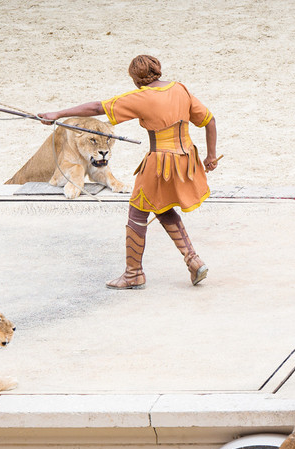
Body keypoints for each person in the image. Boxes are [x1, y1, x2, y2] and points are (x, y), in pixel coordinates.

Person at [39, 55, 218, 289]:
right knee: (161, 206)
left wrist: (57, 114)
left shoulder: (140, 97)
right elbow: (209, 120)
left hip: (160, 164)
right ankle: (193, 261)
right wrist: (211, 156)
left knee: (137, 211)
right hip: (186, 160)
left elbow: (96, 107)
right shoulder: (180, 90)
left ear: (135, 79)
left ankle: (134, 273)